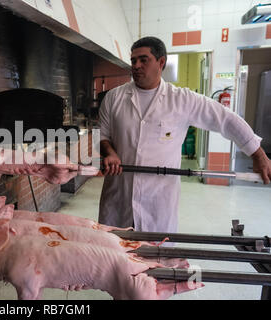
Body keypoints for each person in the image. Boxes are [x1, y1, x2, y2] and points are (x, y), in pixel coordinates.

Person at [98, 36, 271, 233]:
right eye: (133, 60)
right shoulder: (114, 97)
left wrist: (259, 154)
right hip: (119, 196)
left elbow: (225, 118)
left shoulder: (182, 100)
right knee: (113, 254)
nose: (136, 66)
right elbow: (102, 133)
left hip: (158, 203)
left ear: (161, 62)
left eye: (143, 60)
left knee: (158, 256)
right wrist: (109, 152)